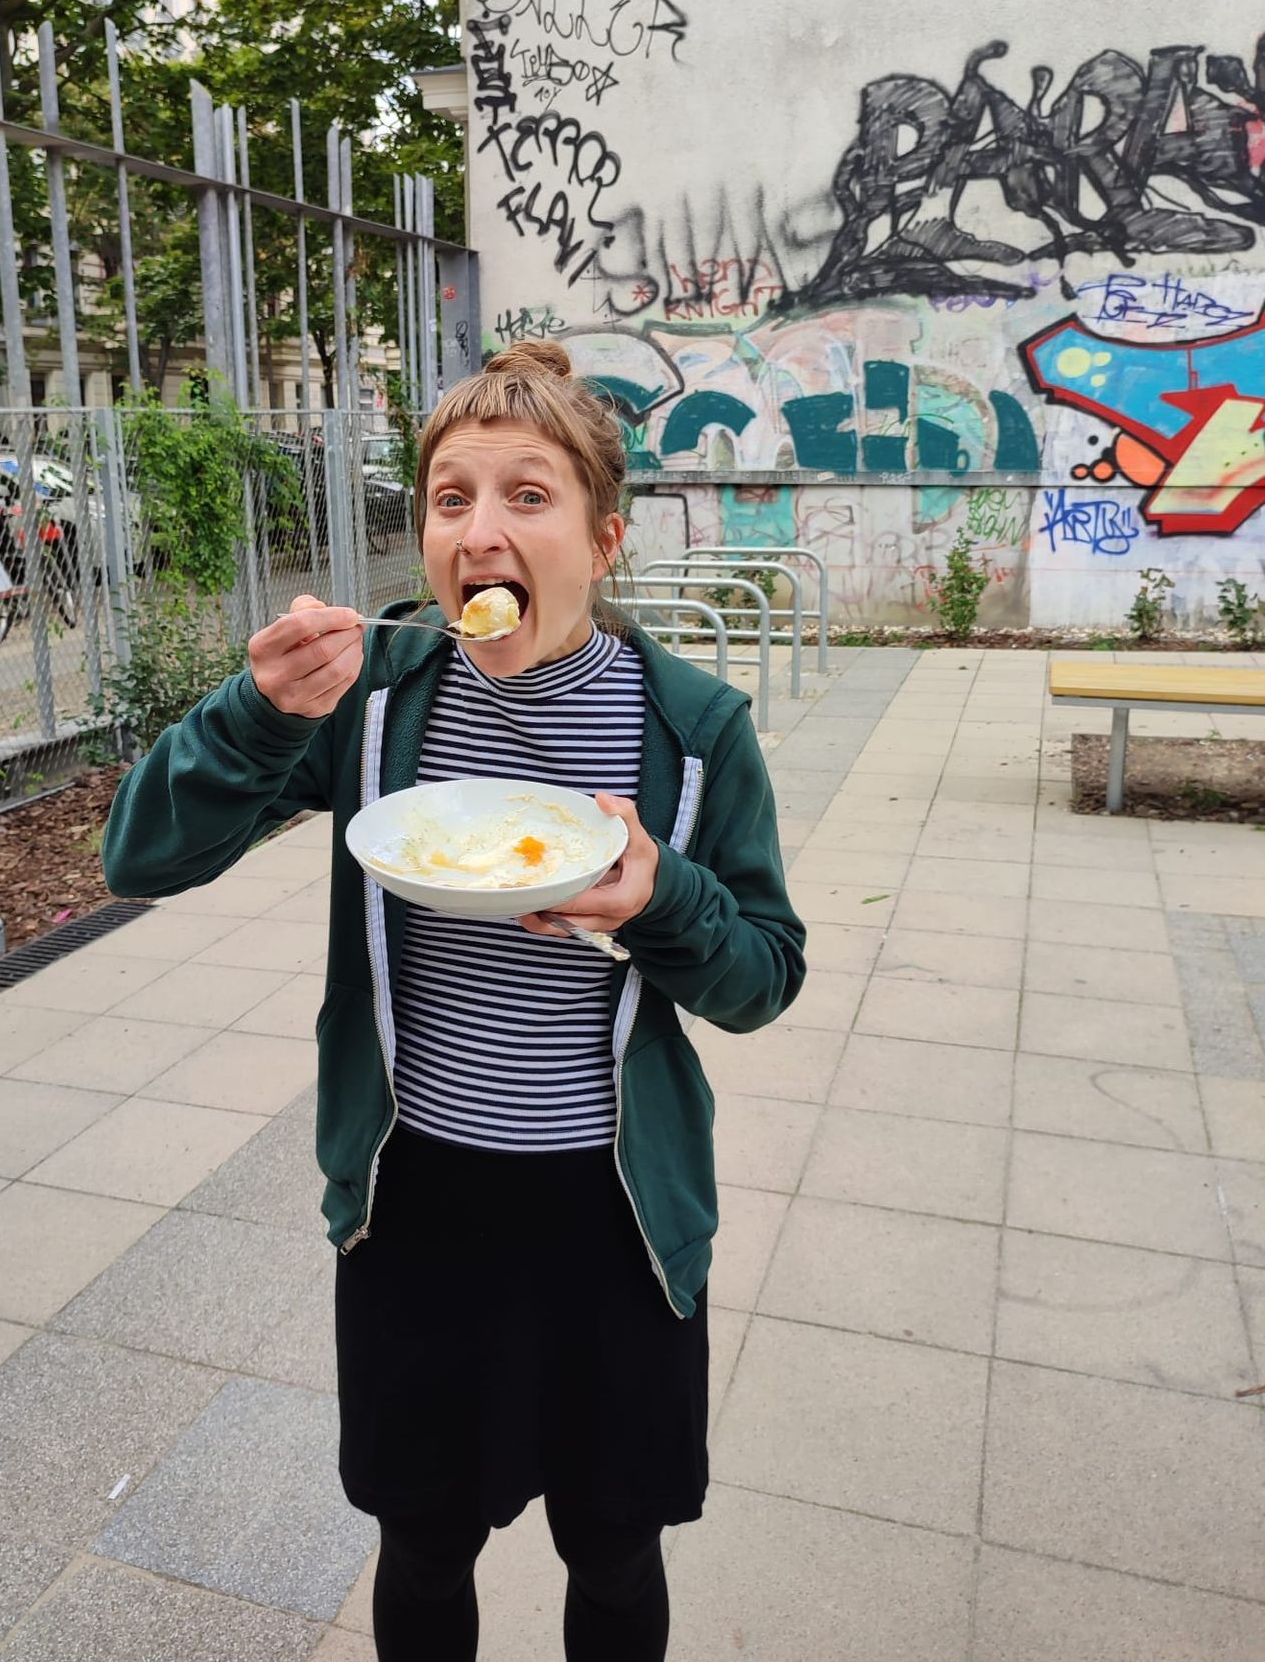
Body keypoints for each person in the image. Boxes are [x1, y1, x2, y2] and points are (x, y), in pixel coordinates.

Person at [103, 339, 806, 1661]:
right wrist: (252, 717)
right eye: (450, 499)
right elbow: (141, 859)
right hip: (414, 1202)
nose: (481, 532)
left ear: (602, 541)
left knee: (612, 1544)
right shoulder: (374, 698)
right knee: (422, 1541)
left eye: (528, 497)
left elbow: (763, 974)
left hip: (618, 1215)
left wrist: (664, 902)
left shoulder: (694, 729)